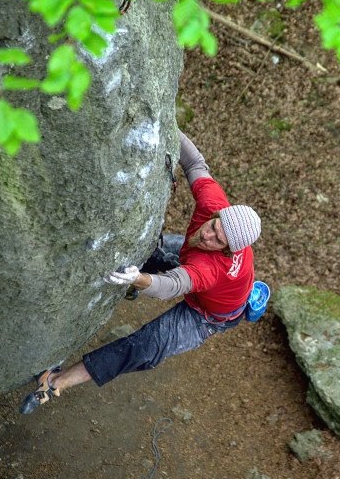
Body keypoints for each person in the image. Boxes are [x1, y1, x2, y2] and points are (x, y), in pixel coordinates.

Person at [19, 131, 260, 414]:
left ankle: (56, 381)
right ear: (218, 214)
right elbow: (195, 162)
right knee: (154, 249)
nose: (207, 235)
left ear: (228, 251)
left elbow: (172, 286)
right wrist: (166, 125)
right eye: (212, 226)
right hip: (192, 261)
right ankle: (135, 279)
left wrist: (138, 279)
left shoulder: (212, 268)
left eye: (217, 240)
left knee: (147, 347)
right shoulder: (213, 206)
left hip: (207, 316)